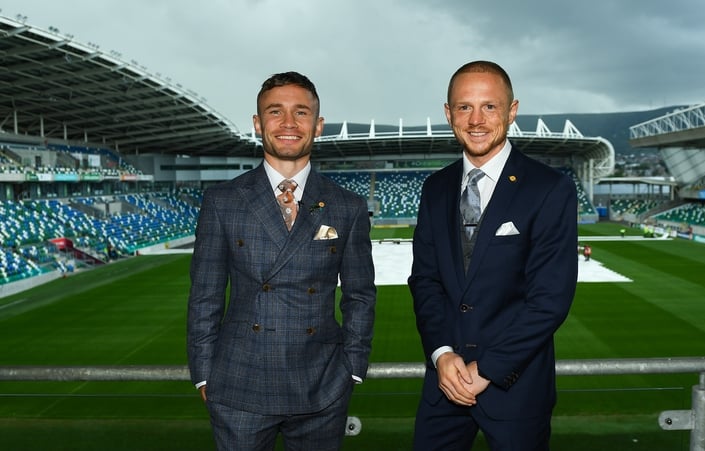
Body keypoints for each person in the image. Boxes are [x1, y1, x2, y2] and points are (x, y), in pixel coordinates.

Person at [186, 71, 376, 451]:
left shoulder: (347, 206)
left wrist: (352, 369)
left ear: (318, 125)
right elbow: (205, 296)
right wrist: (204, 374)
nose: (289, 123)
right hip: (239, 384)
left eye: (301, 112)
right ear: (258, 124)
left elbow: (360, 295)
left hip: (322, 386)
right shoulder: (223, 201)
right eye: (275, 112)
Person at [409, 60, 578, 451]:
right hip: (444, 385)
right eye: (464, 107)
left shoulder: (549, 188)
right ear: (448, 113)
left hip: (515, 389)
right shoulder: (435, 188)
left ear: (512, 111)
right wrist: (441, 353)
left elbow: (550, 299)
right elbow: (425, 281)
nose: (476, 120)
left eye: (489, 106)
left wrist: (487, 369)